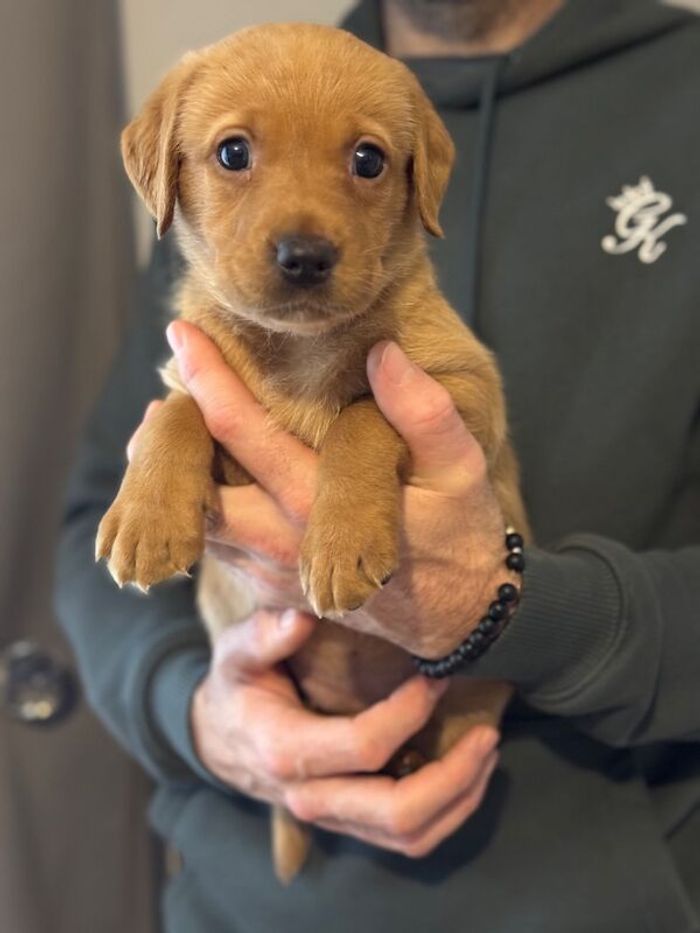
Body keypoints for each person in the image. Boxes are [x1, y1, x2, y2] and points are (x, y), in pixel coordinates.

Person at [55, 1, 700, 931]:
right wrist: (194, 711)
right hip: (247, 900)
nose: (302, 228)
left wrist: (525, 612)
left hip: (592, 888)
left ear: (414, 179)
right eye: (235, 156)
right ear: (173, 174)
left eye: (366, 163)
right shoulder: (242, 100)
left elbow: (451, 396)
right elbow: (98, 522)